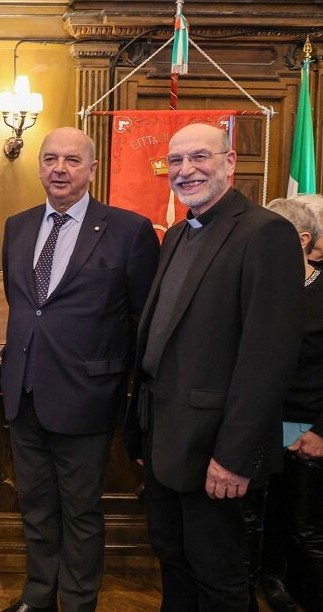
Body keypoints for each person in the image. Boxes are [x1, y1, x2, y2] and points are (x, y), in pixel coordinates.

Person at [125, 123, 304, 611]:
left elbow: (268, 358)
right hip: (164, 436)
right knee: (173, 558)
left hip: (215, 449)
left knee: (219, 575)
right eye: (176, 161)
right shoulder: (179, 232)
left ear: (230, 162)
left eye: (199, 157)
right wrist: (144, 431)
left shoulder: (266, 233)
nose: (186, 170)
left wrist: (234, 456)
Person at [0, 128, 159, 612]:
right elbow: (29, 307)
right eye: (50, 159)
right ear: (40, 166)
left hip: (88, 396)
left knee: (82, 511)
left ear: (91, 168)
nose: (59, 169)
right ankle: (38, 595)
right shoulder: (18, 224)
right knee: (37, 506)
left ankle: (80, 601)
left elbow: (142, 321)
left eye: (71, 160)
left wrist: (130, 393)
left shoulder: (129, 229)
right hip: (23, 393)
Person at [250, 198, 323, 612]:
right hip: (257, 425)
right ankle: (265, 582)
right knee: (253, 522)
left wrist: (321, 432)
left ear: (302, 241)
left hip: (306, 431)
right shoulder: (259, 286)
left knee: (301, 529)